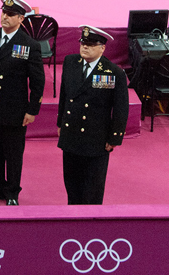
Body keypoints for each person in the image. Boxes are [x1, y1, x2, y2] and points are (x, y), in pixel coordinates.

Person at [0, 0, 44, 206]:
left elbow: (37, 81)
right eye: (3, 12)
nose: (5, 17)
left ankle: (12, 191)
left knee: (13, 154)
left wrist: (33, 110)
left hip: (14, 109)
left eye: (11, 14)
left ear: (21, 18)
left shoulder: (29, 45)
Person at [57, 25, 129, 205]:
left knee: (93, 186)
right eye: (83, 43)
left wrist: (114, 137)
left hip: (96, 137)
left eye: (90, 44)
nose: (85, 47)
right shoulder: (70, 63)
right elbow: (64, 96)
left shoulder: (113, 72)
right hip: (71, 133)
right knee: (71, 182)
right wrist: (60, 123)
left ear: (102, 48)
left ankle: (91, 221)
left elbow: (121, 108)